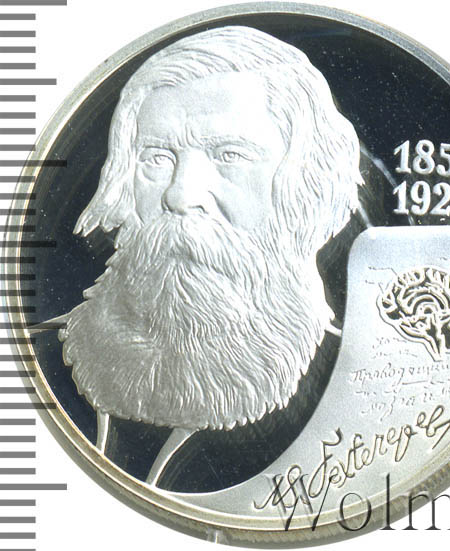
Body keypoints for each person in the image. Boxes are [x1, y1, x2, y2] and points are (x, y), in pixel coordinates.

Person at [59, 26, 363, 486]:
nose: (181, 196)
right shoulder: (31, 358)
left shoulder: (362, 385)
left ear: (308, 187)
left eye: (230, 156)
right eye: (156, 159)